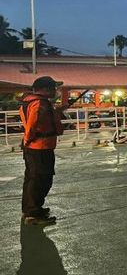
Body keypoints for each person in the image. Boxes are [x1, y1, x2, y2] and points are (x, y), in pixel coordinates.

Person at [19, 76, 65, 225]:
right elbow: (32, 125)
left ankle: (31, 209)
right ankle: (33, 214)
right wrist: (28, 140)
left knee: (33, 179)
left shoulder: (33, 102)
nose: (55, 91)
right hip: (39, 147)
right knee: (41, 180)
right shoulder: (39, 104)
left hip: (37, 147)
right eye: (53, 88)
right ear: (45, 89)